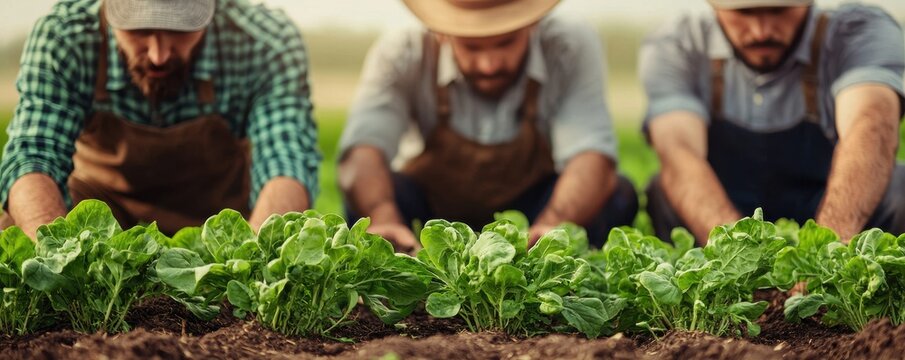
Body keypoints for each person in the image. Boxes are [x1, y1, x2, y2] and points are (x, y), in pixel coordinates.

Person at [0, 0, 320, 237]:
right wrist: (59, 259)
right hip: (101, 205)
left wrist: (253, 265)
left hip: (224, 221)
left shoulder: (266, 41)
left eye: (179, 30)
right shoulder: (65, 37)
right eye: (139, 30)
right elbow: (33, 158)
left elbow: (285, 161)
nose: (159, 55)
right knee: (15, 225)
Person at [339, 0, 638, 251]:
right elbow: (364, 150)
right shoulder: (402, 50)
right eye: (471, 47)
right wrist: (383, 215)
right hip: (430, 213)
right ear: (442, 33)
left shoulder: (569, 43)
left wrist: (552, 224)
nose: (489, 64)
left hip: (533, 210)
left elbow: (590, 155)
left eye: (506, 42)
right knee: (370, 194)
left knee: (616, 194)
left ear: (531, 23)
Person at [641, 0, 905, 244]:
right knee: (663, 189)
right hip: (722, 208)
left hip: (829, 203)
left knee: (898, 187)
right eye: (743, 13)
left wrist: (821, 254)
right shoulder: (678, 44)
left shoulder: (858, 31)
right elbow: (679, 152)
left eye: (779, 10)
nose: (761, 31)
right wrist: (740, 259)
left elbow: (870, 127)